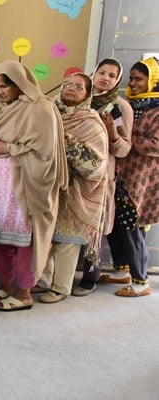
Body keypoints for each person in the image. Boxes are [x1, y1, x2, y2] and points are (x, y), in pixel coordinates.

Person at [0, 60, 68, 311]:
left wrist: (8, 148)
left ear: (19, 84)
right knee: (0, 237)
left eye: (4, 87)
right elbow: (0, 139)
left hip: (27, 185)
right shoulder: (6, 108)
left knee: (23, 240)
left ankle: (23, 292)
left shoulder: (41, 108)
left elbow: (45, 151)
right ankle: (6, 286)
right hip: (2, 184)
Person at [36, 73, 108, 303]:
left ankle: (61, 287)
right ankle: (42, 280)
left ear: (88, 94)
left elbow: (96, 162)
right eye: (67, 83)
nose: (71, 88)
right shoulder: (48, 113)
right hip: (47, 186)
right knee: (44, 235)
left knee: (66, 240)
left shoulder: (91, 122)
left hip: (74, 190)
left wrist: (64, 140)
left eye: (78, 86)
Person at [72, 58, 133, 296]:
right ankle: (58, 277)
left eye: (112, 74)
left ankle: (90, 276)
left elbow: (125, 149)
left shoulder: (119, 107)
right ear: (94, 73)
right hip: (73, 171)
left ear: (117, 80)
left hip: (100, 175)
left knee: (95, 226)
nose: (105, 78)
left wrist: (113, 135)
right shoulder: (79, 99)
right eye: (102, 72)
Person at [99, 56, 159, 297]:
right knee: (116, 225)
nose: (132, 84)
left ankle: (140, 281)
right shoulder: (130, 105)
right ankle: (121, 270)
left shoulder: (156, 110)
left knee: (133, 227)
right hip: (120, 172)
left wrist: (127, 137)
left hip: (141, 179)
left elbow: (155, 144)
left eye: (139, 79)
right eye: (131, 79)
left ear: (153, 81)